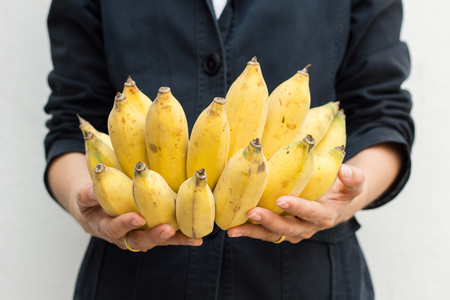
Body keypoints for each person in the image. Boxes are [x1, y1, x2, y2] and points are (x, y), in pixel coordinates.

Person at [43, 0, 414, 299]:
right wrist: (90, 205)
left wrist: (344, 199)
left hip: (303, 279)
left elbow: (382, 112)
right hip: (137, 279)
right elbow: (70, 122)